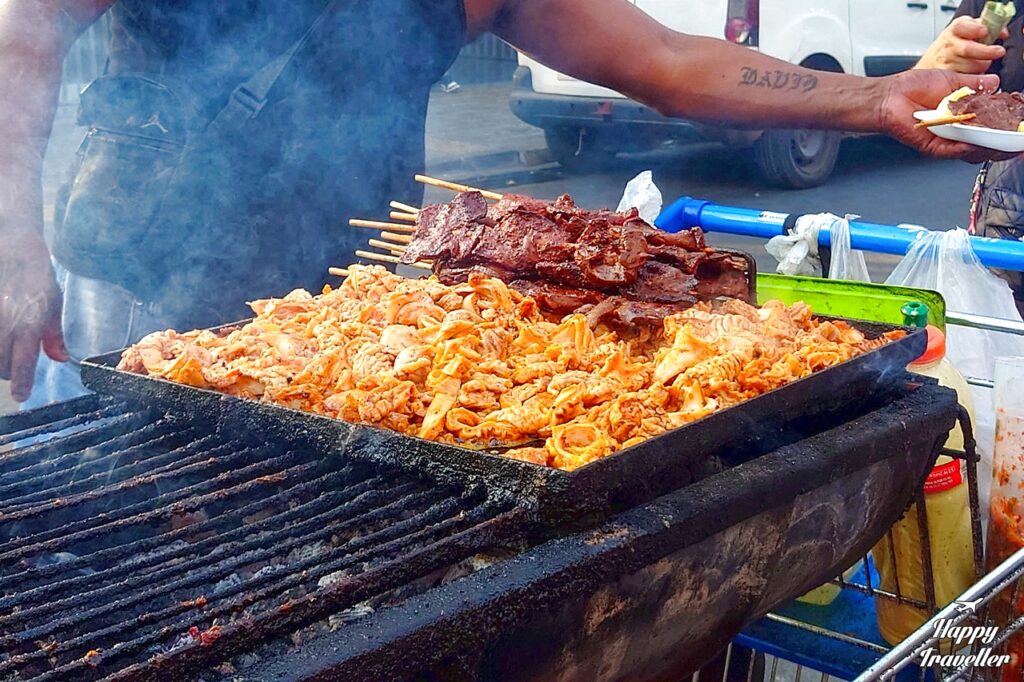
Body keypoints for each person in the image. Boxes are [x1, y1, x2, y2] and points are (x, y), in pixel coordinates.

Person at [0, 0, 1005, 405]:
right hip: (143, 298)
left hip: (343, 319)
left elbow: (662, 59)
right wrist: (10, 234)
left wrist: (874, 97)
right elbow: (28, 21)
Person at [916, 4, 1024, 315]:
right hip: (1006, 214)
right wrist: (934, 66)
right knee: (1002, 337)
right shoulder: (1001, 6)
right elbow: (928, 108)